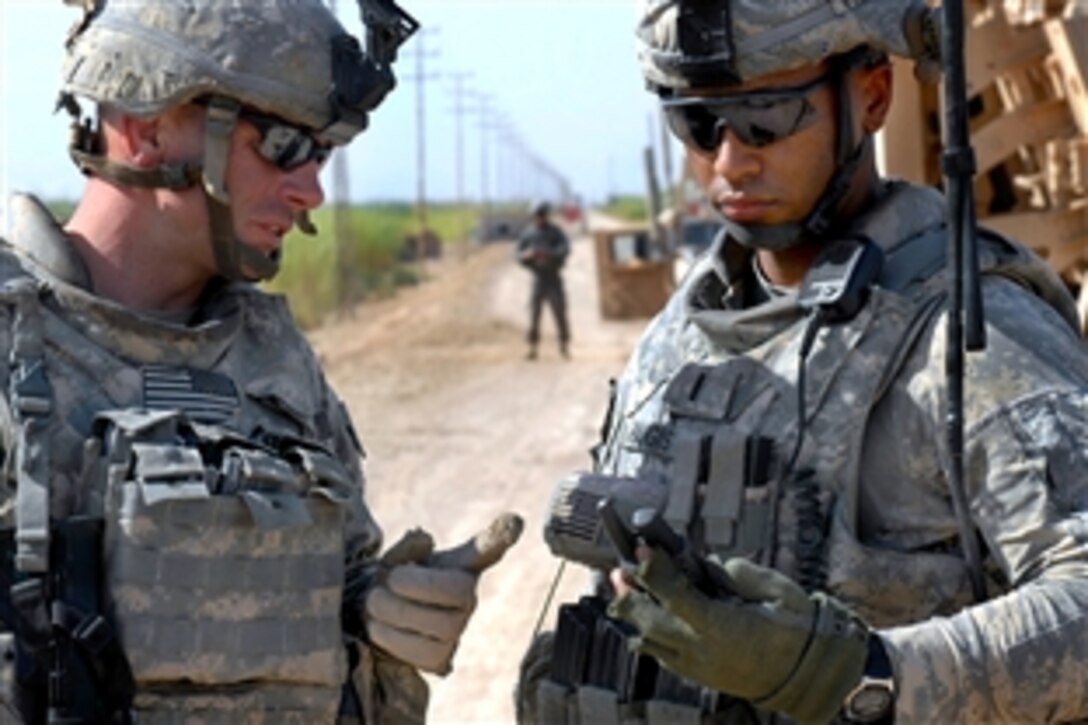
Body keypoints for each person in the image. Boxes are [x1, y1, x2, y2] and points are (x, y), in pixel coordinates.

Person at [518, 0, 1088, 723]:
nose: (730, 160)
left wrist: (858, 674)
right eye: (697, 124)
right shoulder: (682, 327)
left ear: (873, 95)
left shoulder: (972, 336)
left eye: (768, 119)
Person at [0, 1, 520, 722]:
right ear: (146, 129)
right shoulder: (12, 348)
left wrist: (378, 620)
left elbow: (340, 609)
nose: (311, 190)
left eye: (321, 152)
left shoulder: (274, 359)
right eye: (280, 144)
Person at [516, 201, 571, 360]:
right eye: (537, 215)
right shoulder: (528, 234)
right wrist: (528, 255)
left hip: (553, 277)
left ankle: (564, 346)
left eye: (542, 215)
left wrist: (549, 253)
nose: (540, 218)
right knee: (534, 314)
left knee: (559, 312)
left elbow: (565, 249)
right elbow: (518, 253)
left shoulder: (555, 232)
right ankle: (532, 348)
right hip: (538, 278)